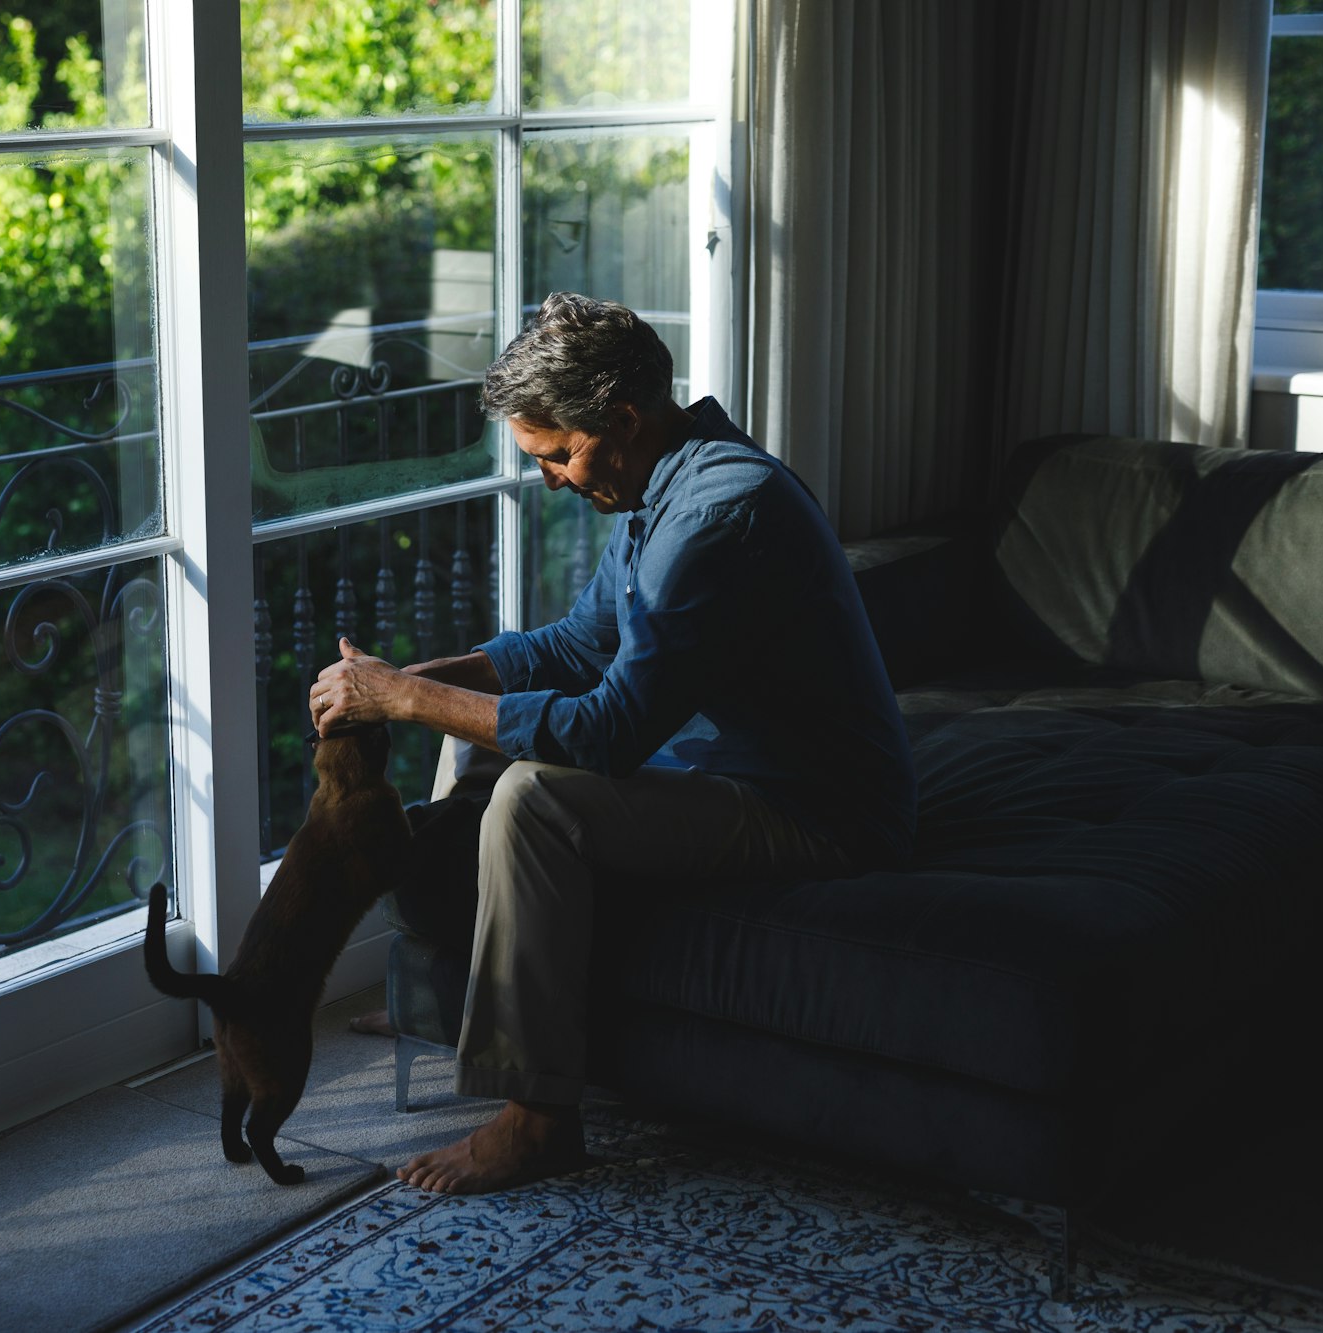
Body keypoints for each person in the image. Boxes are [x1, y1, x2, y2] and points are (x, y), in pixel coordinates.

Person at [309, 292, 916, 1194]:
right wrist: (417, 679)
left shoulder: (719, 514)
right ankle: (465, 991)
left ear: (621, 419)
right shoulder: (656, 486)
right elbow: (573, 644)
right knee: (473, 740)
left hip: (816, 806)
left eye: (558, 455)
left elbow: (609, 728)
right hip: (725, 768)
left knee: (533, 797)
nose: (552, 477)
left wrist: (409, 697)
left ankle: (538, 1119)